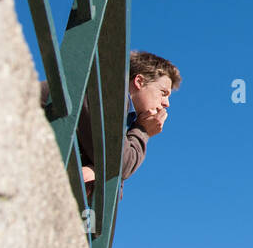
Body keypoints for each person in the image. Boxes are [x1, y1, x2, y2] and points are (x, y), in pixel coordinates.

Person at [39, 50, 180, 206]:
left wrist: (99, 172)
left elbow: (115, 182)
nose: (166, 103)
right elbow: (121, 165)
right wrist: (143, 131)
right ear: (139, 81)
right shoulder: (106, 95)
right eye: (163, 93)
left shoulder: (123, 115)